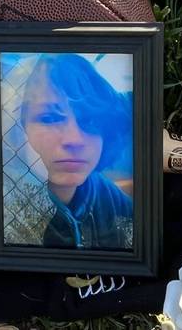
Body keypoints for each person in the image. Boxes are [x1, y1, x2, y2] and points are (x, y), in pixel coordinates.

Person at [19, 54, 133, 250]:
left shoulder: (107, 194)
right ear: (19, 128)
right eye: (49, 118)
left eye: (89, 121)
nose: (74, 140)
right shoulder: (6, 204)